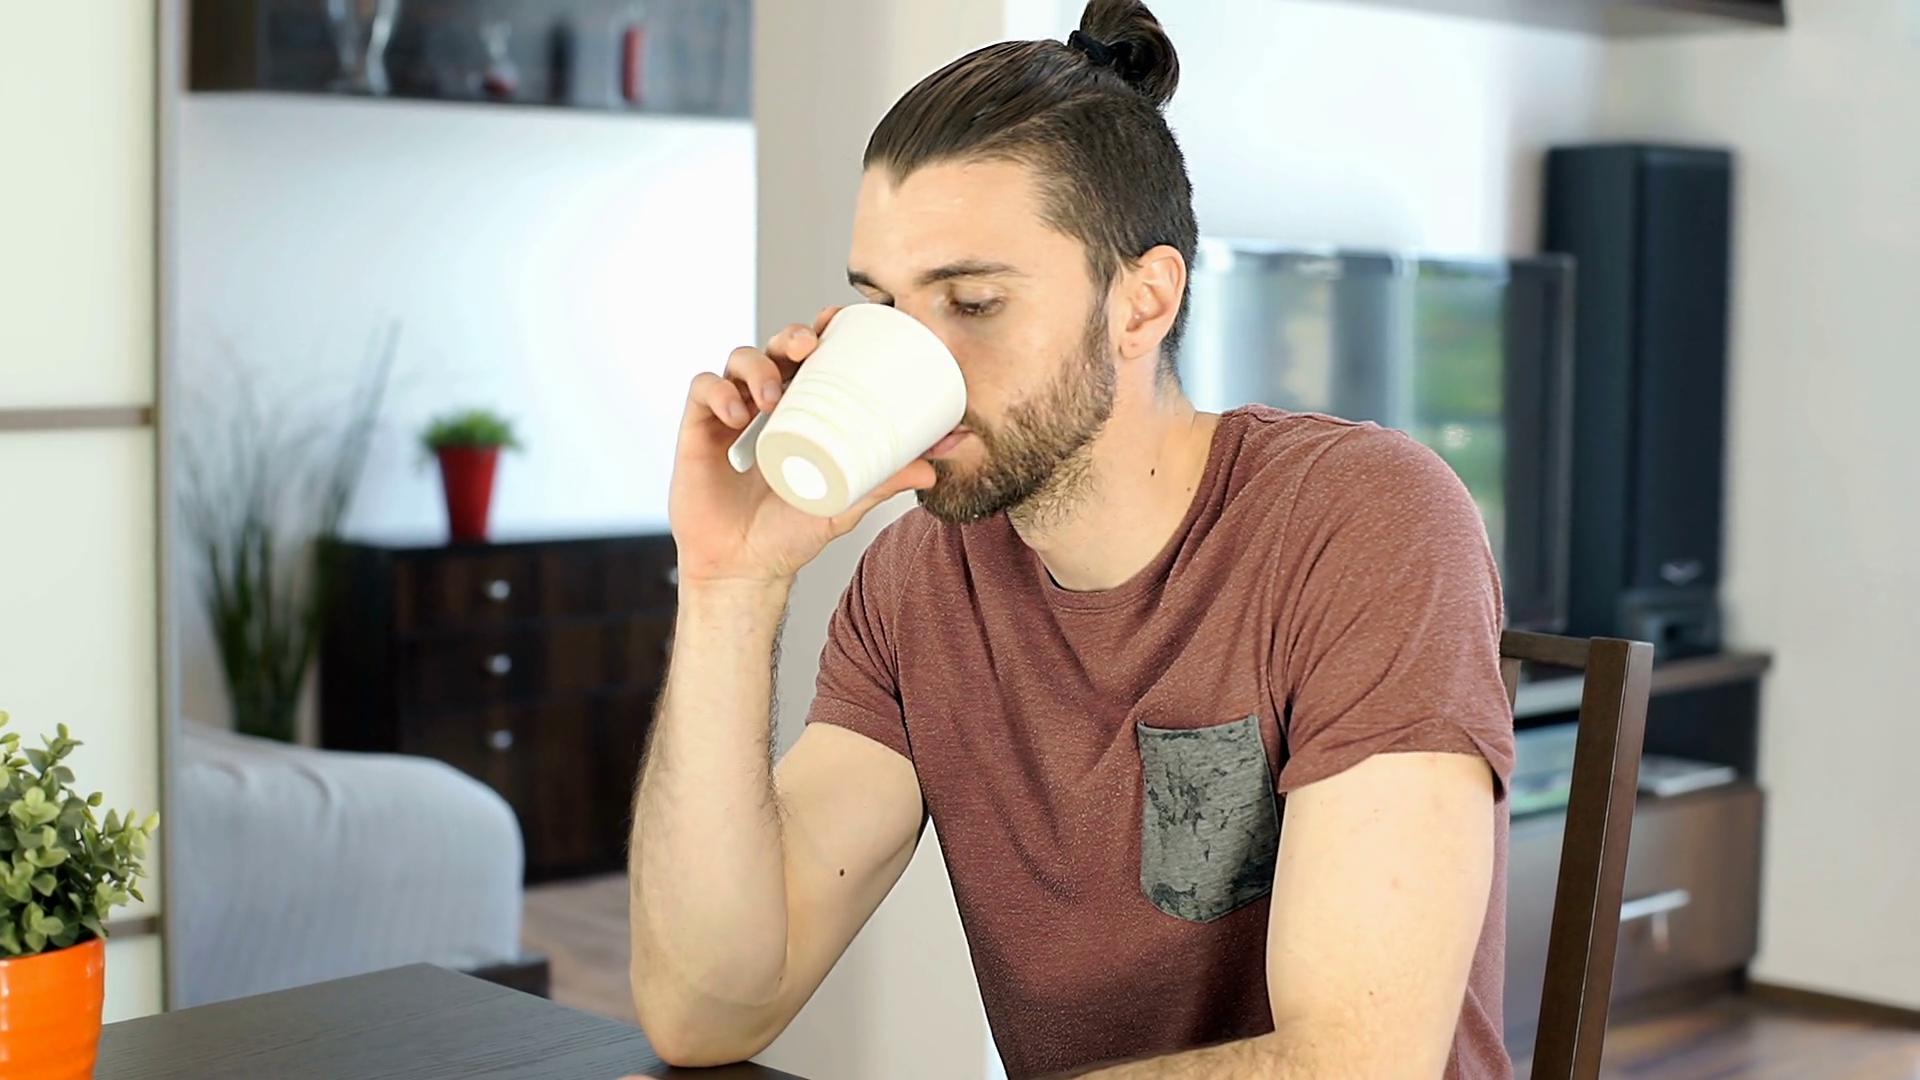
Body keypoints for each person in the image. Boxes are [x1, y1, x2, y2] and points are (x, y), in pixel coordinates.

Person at [629, 2, 1515, 1077]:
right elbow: (708, 1012)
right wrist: (728, 585)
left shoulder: (1363, 521)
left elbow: (1356, 1063)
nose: (919, 357)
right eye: (883, 308)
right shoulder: (918, 585)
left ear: (1141, 304)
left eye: (972, 302)